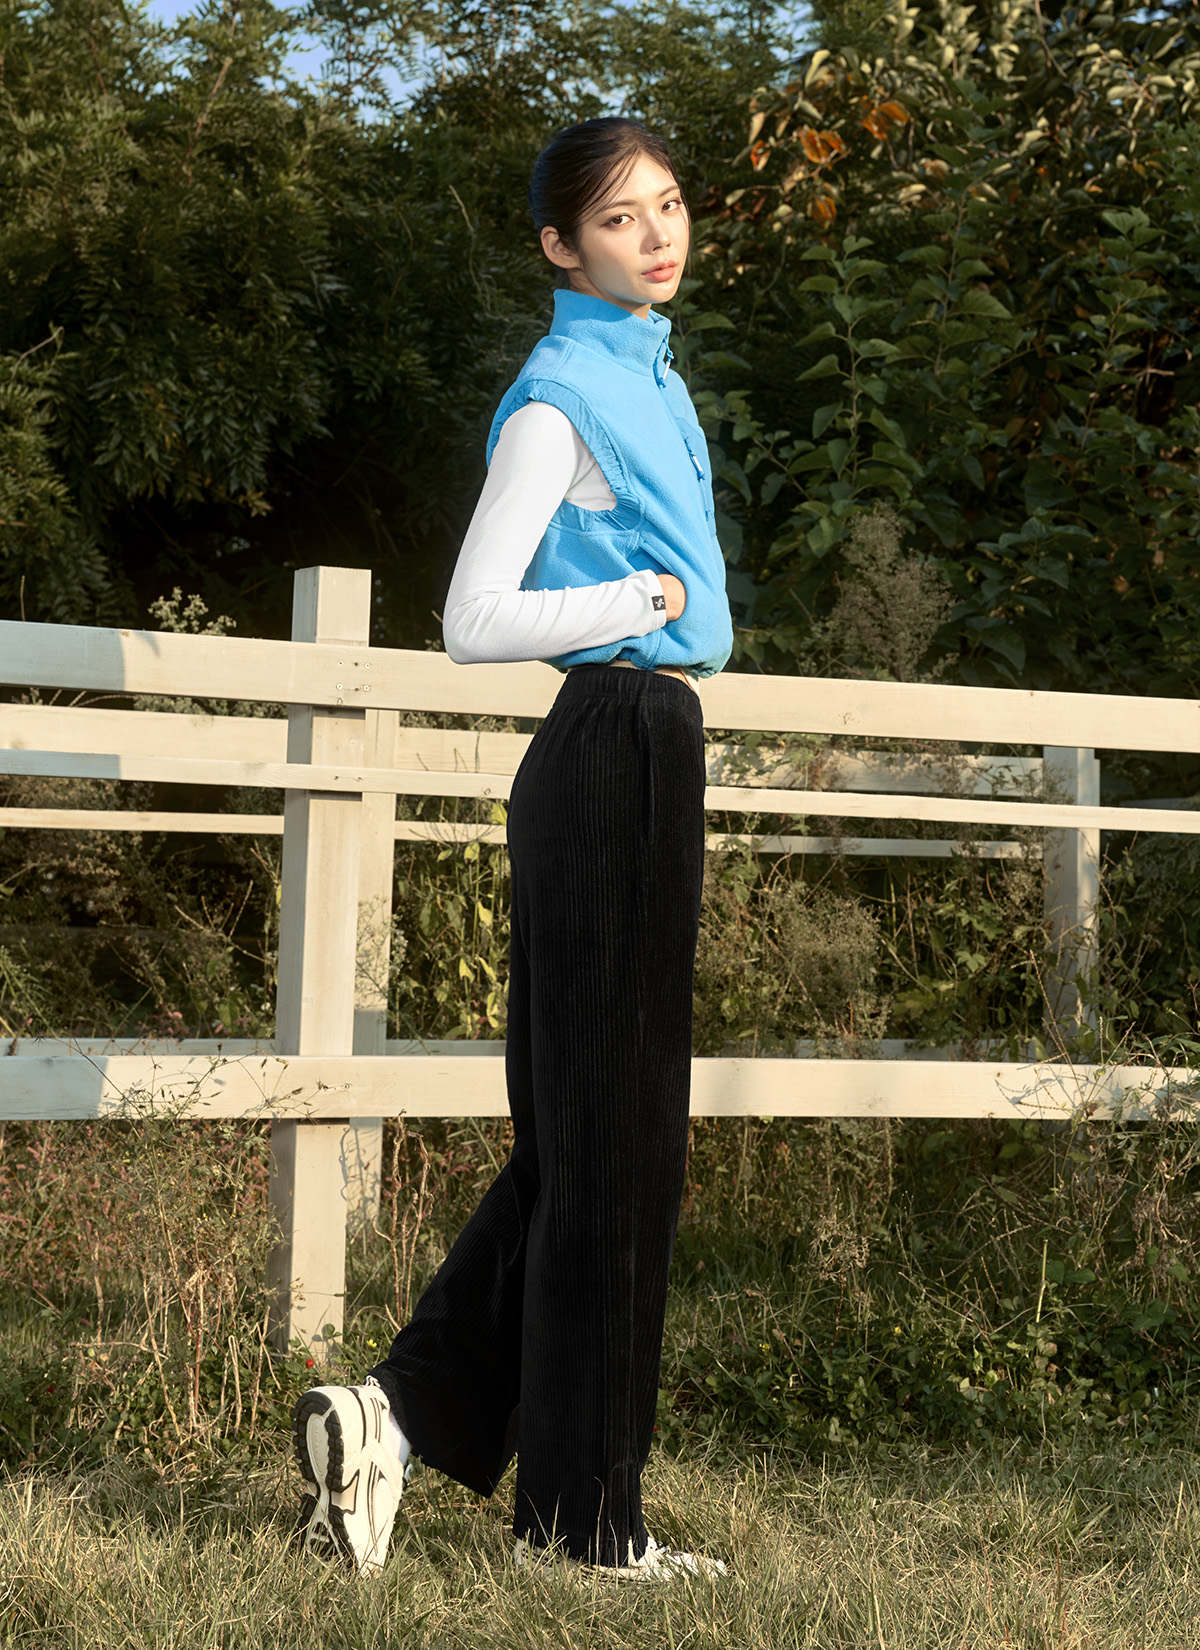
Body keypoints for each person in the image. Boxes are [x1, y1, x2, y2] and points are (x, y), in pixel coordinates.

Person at [291, 114, 734, 1582]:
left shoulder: (646, 377)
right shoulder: (562, 398)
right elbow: (474, 619)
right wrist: (646, 599)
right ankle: (591, 1525)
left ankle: (400, 1418)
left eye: (668, 204)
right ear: (561, 247)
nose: (655, 235)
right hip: (612, 742)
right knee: (617, 1153)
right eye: (618, 219)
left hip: (635, 747)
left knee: (590, 1146)